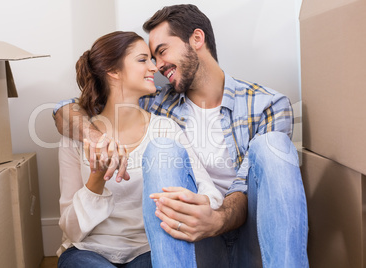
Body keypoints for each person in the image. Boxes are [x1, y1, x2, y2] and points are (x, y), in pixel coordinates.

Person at [54, 4, 309, 268]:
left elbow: (245, 186)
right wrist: (93, 138)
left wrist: (216, 217)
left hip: (254, 236)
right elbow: (67, 109)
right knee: (162, 148)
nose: (157, 66)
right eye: (148, 58)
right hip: (192, 244)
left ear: (197, 39)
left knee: (274, 144)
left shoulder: (267, 104)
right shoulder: (156, 103)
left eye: (161, 52)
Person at [56, 31, 223, 268]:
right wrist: (96, 179)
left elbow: (210, 193)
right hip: (87, 251)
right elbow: (71, 230)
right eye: (143, 59)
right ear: (113, 71)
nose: (155, 67)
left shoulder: (165, 130)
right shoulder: (77, 138)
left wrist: (195, 204)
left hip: (149, 251)